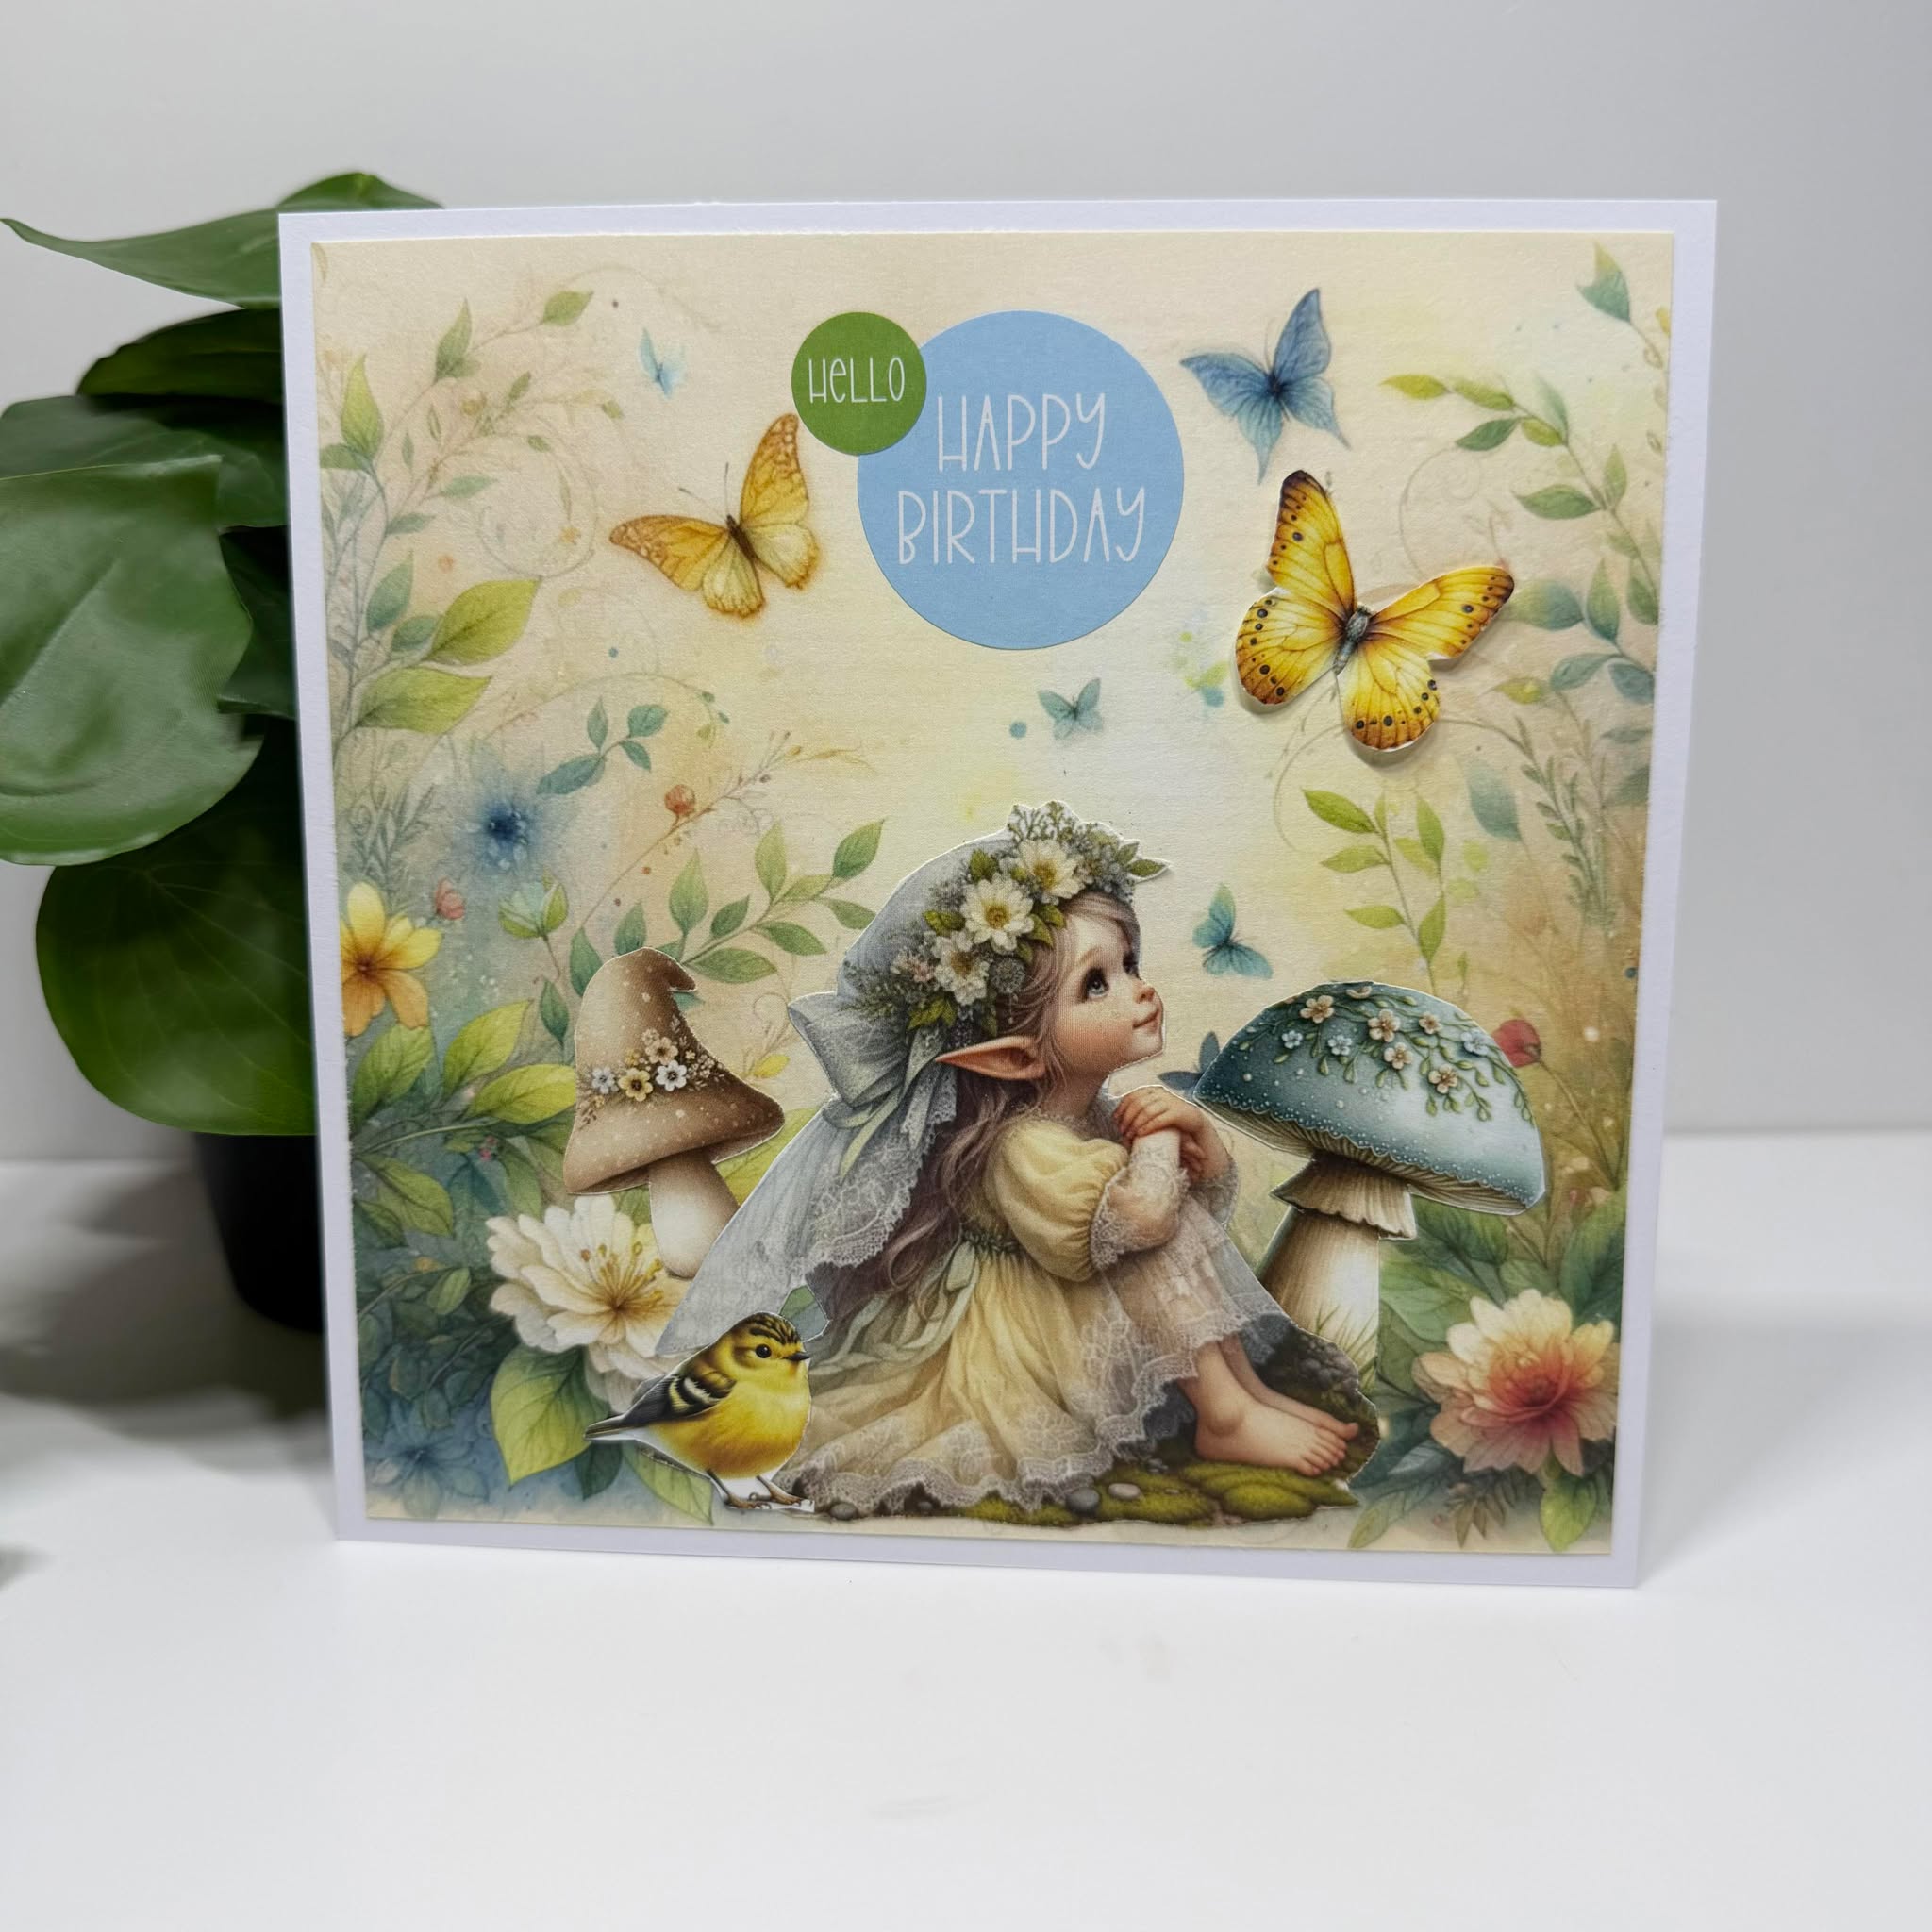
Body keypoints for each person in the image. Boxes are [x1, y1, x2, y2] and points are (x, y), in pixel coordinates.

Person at [657, 803, 1358, 1515]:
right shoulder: (1026, 1145)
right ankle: (1225, 1415)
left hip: (1075, 1310)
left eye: (1129, 964)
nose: (1140, 989)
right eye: (1096, 983)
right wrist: (1159, 1141)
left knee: (1168, 1233)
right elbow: (1144, 1220)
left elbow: (1192, 1207)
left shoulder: (1094, 1115)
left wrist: (1197, 1139)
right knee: (1153, 1242)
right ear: (1014, 1057)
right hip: (1017, 1343)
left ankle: (1246, 1397)